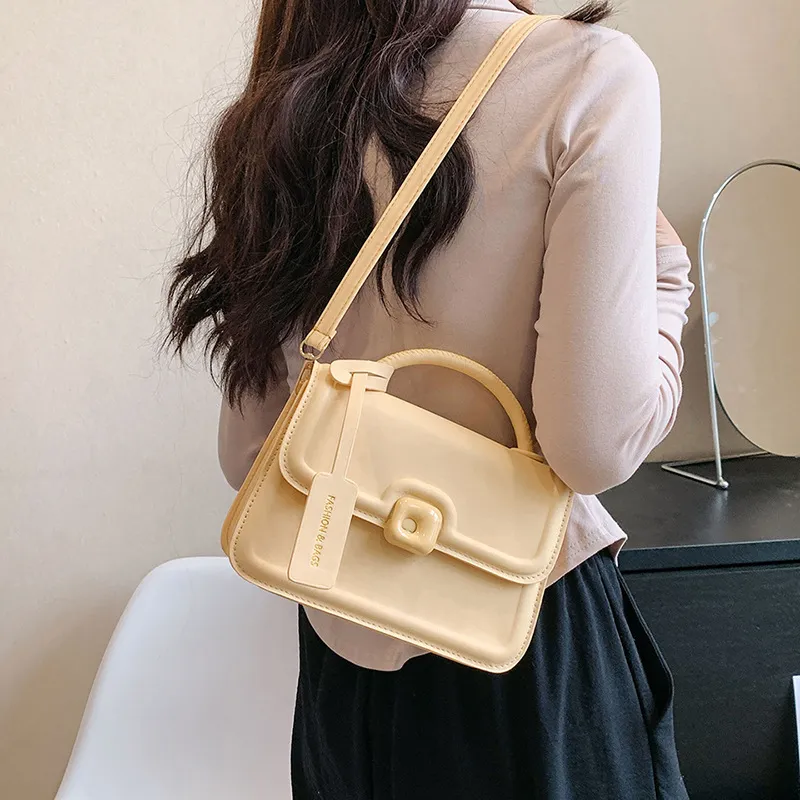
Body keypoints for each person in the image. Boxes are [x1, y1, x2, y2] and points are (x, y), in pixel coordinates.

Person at [167, 1, 693, 797]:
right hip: (521, 646)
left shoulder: (288, 100)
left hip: (342, 666)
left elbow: (248, 458)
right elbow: (594, 447)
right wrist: (667, 282)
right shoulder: (587, 73)